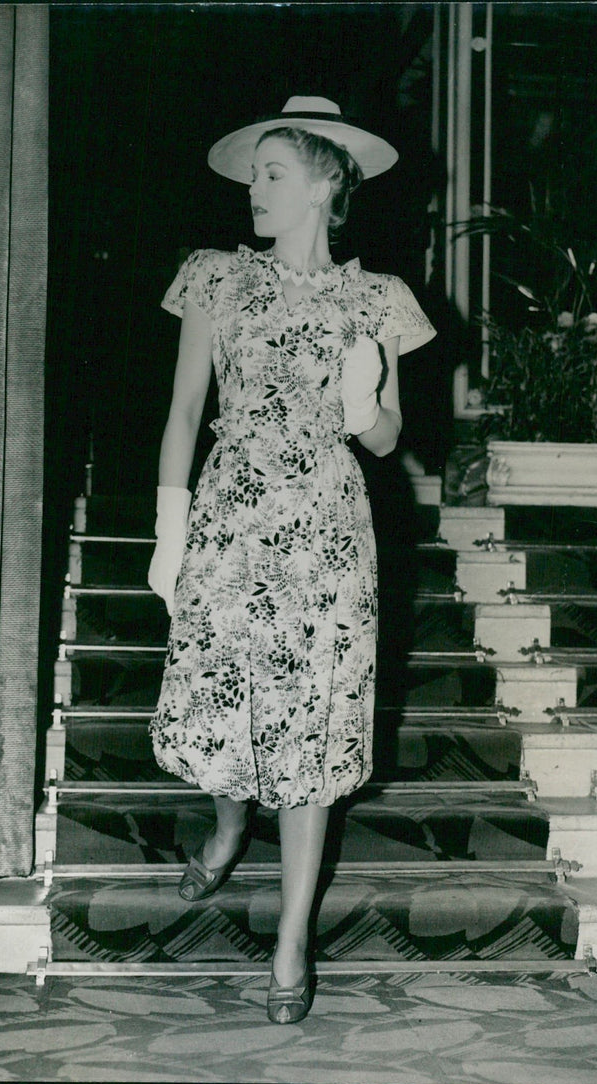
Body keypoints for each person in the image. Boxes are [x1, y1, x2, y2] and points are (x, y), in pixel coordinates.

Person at [147, 96, 436, 1023]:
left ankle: (290, 945)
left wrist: (365, 406)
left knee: (309, 735)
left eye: (273, 174)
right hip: (232, 519)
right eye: (252, 175)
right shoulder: (215, 278)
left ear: (324, 185)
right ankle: (229, 827)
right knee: (228, 712)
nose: (253, 190)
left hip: (327, 537)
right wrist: (169, 530)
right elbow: (184, 412)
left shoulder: (376, 297)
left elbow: (386, 438)